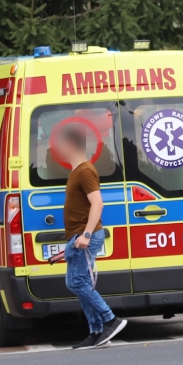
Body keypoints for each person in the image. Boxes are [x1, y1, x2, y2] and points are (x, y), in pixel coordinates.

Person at [61, 125, 128, 348]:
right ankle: (96, 331)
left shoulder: (85, 171)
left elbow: (97, 203)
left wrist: (86, 235)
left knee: (76, 282)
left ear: (71, 145)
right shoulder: (77, 171)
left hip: (84, 235)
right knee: (82, 282)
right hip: (78, 236)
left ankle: (110, 319)